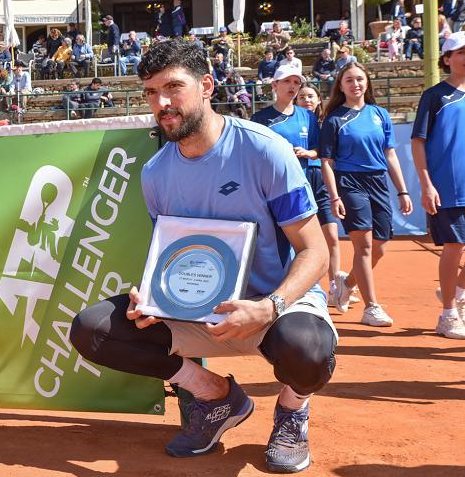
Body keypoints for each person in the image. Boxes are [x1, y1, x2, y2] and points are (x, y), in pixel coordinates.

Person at [70, 39, 336, 474]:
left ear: (207, 85)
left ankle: (291, 410)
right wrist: (152, 298)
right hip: (197, 311)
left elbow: (315, 250)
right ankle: (216, 397)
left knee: (310, 352)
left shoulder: (265, 150)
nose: (162, 102)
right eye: (151, 92)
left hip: (272, 306)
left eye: (173, 87)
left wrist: (268, 307)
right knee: (92, 329)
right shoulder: (155, 174)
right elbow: (172, 254)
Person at [320, 62, 413, 325]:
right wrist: (335, 196)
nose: (355, 84)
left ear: (367, 82)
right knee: (364, 246)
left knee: (380, 248)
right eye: (349, 80)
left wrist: (403, 190)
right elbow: (327, 161)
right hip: (349, 183)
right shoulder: (334, 119)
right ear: (341, 85)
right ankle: (371, 307)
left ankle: (346, 282)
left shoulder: (380, 114)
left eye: (360, 79)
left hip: (378, 182)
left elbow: (390, 155)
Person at [253, 70, 345, 311]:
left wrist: (308, 153)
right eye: (287, 82)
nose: (292, 87)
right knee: (286, 244)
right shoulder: (260, 118)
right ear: (274, 84)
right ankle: (284, 292)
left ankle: (327, 288)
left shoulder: (307, 116)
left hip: (308, 185)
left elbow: (318, 149)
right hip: (275, 192)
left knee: (322, 241)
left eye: (296, 83)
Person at [410, 32, 465, 339]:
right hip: (449, 186)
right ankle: (448, 314)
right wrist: (426, 184)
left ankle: (456, 291)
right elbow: (418, 143)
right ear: (447, 59)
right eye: (460, 52)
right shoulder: (435, 96)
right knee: (455, 247)